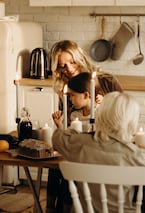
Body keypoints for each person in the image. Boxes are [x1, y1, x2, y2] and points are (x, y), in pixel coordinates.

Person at [52, 91, 145, 212]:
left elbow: (58, 136)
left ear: (100, 115)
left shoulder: (80, 144)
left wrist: (83, 134)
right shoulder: (135, 154)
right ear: (131, 122)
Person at [47, 40, 123, 213]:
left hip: (104, 147)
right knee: (57, 165)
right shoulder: (65, 90)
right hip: (78, 146)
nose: (69, 69)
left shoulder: (106, 81)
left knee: (70, 169)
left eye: (72, 62)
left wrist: (108, 104)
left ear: (80, 58)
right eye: (62, 66)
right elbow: (67, 127)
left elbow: (124, 113)